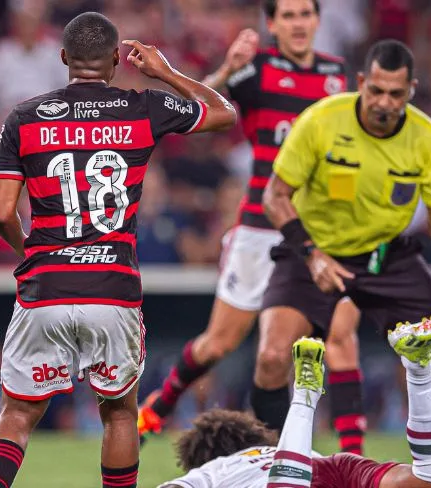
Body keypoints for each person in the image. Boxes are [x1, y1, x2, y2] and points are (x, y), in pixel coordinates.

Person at [0, 12, 236, 488]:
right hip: (113, 288)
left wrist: (30, 250)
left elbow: (0, 213)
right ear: (118, 59)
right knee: (119, 414)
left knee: (17, 413)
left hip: (45, 287)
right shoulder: (143, 107)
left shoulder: (24, 116)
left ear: (63, 58)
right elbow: (224, 113)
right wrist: (165, 72)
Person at [259, 39, 431, 466]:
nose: (385, 102)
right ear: (361, 82)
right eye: (376, 90)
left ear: (411, 90)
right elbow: (275, 197)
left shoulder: (427, 138)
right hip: (313, 253)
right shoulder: (321, 121)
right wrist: (311, 254)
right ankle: (265, 473)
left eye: (396, 94)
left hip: (387, 259)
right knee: (271, 358)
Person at [138, 0, 347, 443]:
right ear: (271, 24)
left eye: (304, 14)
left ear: (317, 20)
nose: (297, 24)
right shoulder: (257, 68)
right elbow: (196, 107)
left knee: (320, 347)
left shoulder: (339, 77)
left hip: (317, 233)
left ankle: (326, 452)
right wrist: (227, 69)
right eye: (287, 16)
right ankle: (158, 405)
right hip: (258, 227)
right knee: (219, 344)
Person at [159, 318, 431, 488]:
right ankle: (418, 369)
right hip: (329, 466)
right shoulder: (270, 451)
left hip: (293, 474)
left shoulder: (212, 471)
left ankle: (304, 395)